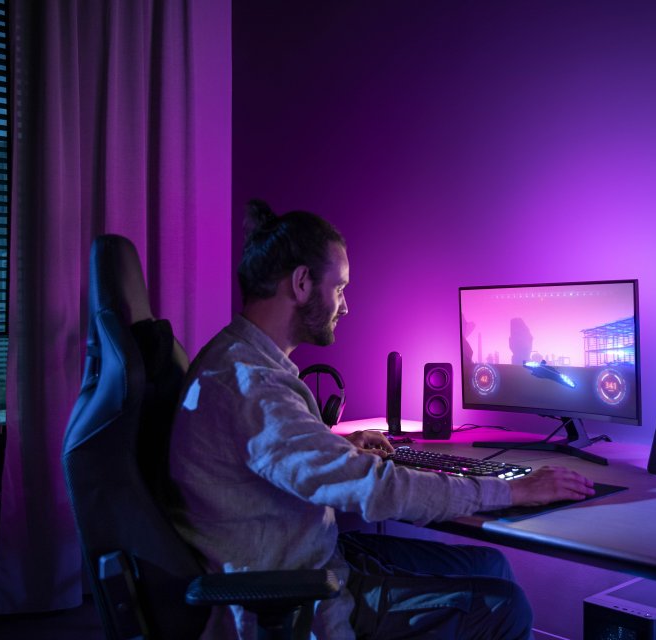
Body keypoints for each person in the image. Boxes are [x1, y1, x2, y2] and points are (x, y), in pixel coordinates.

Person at [168, 200, 596, 640]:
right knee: (504, 608)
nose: (345, 306)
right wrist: (511, 490)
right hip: (298, 595)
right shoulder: (253, 384)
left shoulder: (238, 359)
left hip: (314, 555)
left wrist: (337, 449)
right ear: (301, 283)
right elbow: (377, 490)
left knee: (492, 564)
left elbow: (272, 452)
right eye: (339, 288)